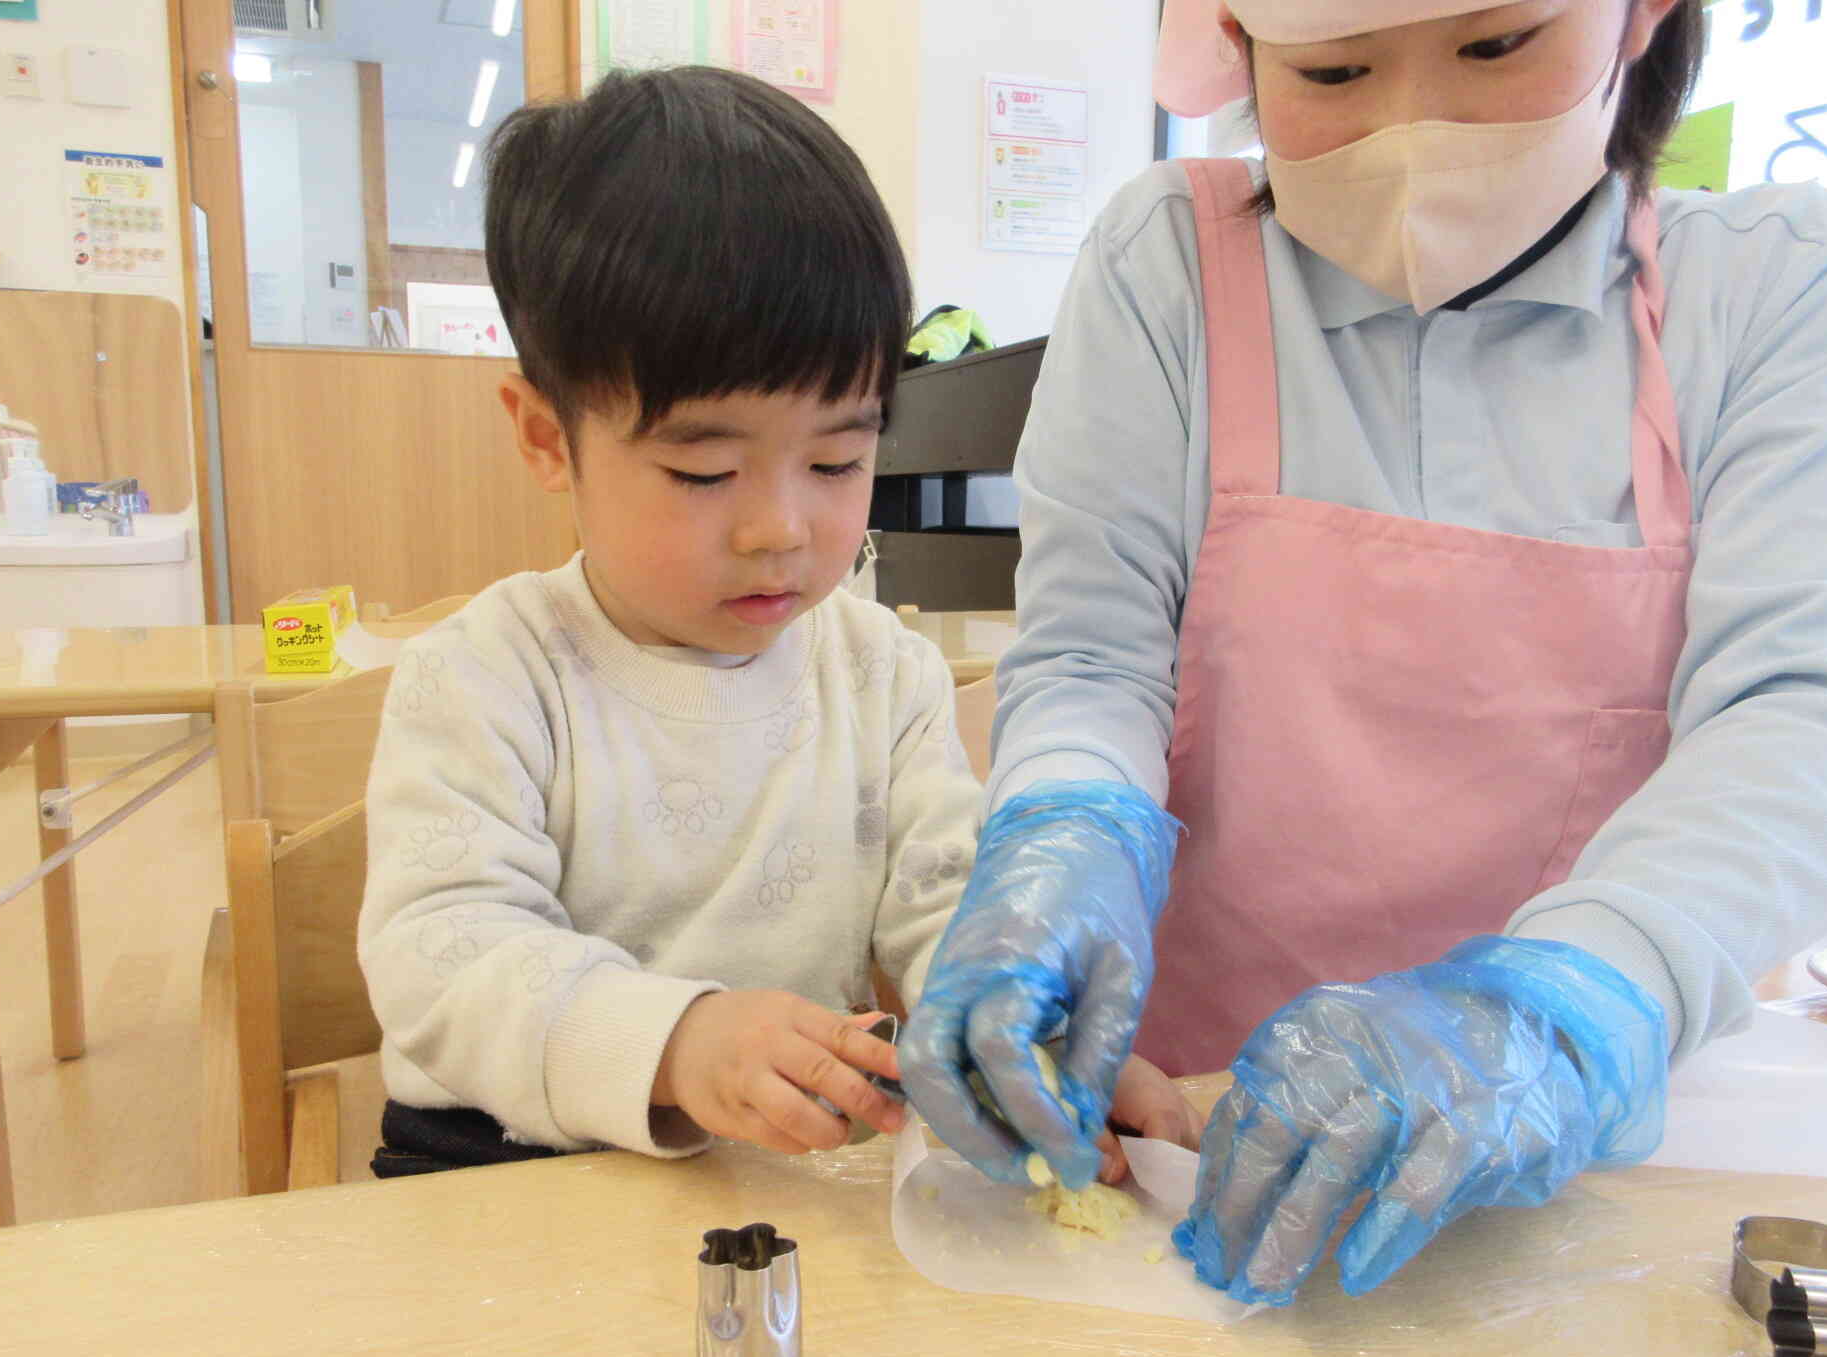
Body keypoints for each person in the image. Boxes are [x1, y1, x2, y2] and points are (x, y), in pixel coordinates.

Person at [900, 0, 1827, 1304]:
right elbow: (1095, 656)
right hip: (1187, 1129)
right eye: (1336, 69)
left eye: (1496, 47)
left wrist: (1549, 1021)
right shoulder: (1170, 264)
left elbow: (1811, 712)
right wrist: (1063, 833)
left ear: (1640, 16)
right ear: (1241, 46)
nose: (1414, 132)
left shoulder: (1782, 286)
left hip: (1596, 1163)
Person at [357, 67, 1202, 1178]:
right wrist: (673, 1042)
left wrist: (1027, 1037)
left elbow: (950, 895)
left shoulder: (883, 677)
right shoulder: (485, 678)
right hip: (506, 1163)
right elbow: (441, 958)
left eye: (837, 460)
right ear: (542, 436)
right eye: (703, 470)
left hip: (785, 1172)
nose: (779, 528)